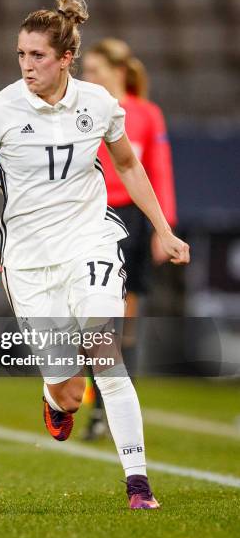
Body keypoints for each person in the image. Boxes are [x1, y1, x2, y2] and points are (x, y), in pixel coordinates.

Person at [0, 0, 190, 510]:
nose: (26, 66)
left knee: (104, 352)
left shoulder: (100, 104)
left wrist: (163, 229)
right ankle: (53, 396)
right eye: (20, 55)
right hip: (30, 261)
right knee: (67, 388)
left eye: (37, 56)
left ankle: (138, 483)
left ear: (65, 59)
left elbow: (128, 166)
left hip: (90, 240)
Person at [81, 38, 178, 440]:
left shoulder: (146, 115)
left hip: (134, 221)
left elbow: (159, 170)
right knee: (93, 319)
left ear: (116, 71)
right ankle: (99, 405)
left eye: (93, 70)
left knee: (126, 319)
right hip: (93, 217)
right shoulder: (84, 110)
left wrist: (164, 226)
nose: (87, 78)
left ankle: (114, 409)